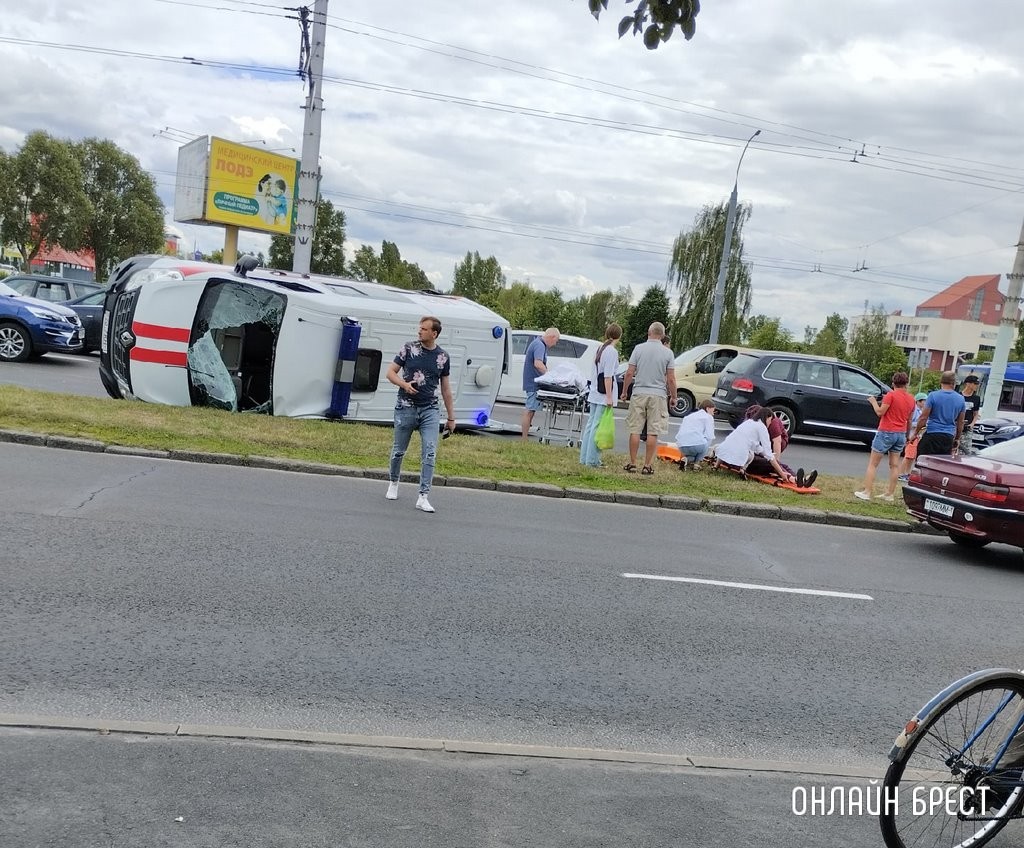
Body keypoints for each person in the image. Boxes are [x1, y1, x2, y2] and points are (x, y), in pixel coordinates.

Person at [384, 316, 456, 513]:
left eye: (424, 329)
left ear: (434, 333)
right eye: (419, 328)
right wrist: (404, 385)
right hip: (406, 406)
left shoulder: (443, 357)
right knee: (399, 449)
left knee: (430, 451)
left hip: (430, 409)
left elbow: (446, 389)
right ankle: (393, 482)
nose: (419, 332)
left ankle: (423, 496)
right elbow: (390, 372)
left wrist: (451, 417)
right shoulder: (408, 348)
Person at [619, 322, 676, 474]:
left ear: (648, 332)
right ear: (662, 335)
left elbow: (629, 373)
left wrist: (625, 391)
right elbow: (671, 379)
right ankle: (647, 465)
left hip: (639, 392)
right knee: (653, 431)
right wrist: (673, 397)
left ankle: (632, 463)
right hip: (658, 395)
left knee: (635, 429)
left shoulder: (638, 349)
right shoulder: (667, 353)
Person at [854, 371, 917, 502]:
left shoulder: (890, 395)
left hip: (886, 431)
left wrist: (873, 402)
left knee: (873, 464)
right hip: (900, 433)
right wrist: (907, 435)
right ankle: (889, 493)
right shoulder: (911, 399)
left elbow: (879, 412)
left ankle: (867, 491)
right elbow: (910, 420)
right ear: (906, 384)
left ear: (893, 383)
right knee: (894, 465)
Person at [714, 406, 796, 483]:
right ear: (766, 417)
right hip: (739, 460)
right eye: (770, 420)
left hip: (724, 453)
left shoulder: (748, 423)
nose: (770, 423)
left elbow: (755, 446)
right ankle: (791, 477)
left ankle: (794, 477)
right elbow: (769, 455)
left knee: (771, 461)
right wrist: (781, 473)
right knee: (771, 463)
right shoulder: (762, 428)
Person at [742, 404, 817, 487]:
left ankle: (800, 479)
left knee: (777, 464)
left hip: (752, 457)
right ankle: (793, 478)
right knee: (771, 463)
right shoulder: (754, 429)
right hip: (749, 461)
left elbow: (776, 442)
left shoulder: (760, 425)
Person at [579, 323, 622, 467]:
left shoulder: (600, 348)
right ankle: (592, 460)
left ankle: (584, 458)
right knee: (597, 426)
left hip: (595, 391)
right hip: (604, 394)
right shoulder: (611, 352)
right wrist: (609, 396)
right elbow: (608, 376)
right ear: (619, 336)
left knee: (591, 425)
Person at [911, 370, 966, 458]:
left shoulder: (933, 396)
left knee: (923, 462)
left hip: (932, 434)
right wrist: (957, 439)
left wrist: (915, 433)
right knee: (941, 465)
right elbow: (960, 422)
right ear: (954, 383)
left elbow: (923, 418)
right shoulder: (961, 399)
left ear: (941, 382)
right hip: (948, 437)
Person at [521, 328, 560, 439]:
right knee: (529, 410)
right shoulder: (540, 345)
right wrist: (549, 375)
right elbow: (538, 363)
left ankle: (525, 437)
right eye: (556, 341)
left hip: (533, 381)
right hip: (533, 383)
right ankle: (524, 438)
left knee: (531, 410)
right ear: (552, 337)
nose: (555, 344)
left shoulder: (538, 343)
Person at [673, 398, 716, 470]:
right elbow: (709, 436)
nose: (713, 413)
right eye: (713, 411)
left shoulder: (689, 416)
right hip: (697, 445)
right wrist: (704, 454)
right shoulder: (708, 417)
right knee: (704, 444)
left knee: (691, 453)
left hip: (681, 446)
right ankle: (697, 464)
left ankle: (685, 459)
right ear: (708, 408)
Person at [897, 392, 929, 481]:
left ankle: (907, 473)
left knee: (912, 456)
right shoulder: (914, 410)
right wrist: (920, 424)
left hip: (917, 435)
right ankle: (901, 473)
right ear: (918, 401)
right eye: (924, 401)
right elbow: (909, 423)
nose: (925, 403)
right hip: (912, 435)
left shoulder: (921, 411)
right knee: (908, 456)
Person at [959, 375, 982, 455]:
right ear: (968, 384)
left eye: (977, 384)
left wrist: (972, 424)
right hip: (956, 426)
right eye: (975, 384)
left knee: (966, 450)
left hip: (967, 428)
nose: (977, 386)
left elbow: (976, 414)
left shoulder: (976, 398)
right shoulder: (958, 396)